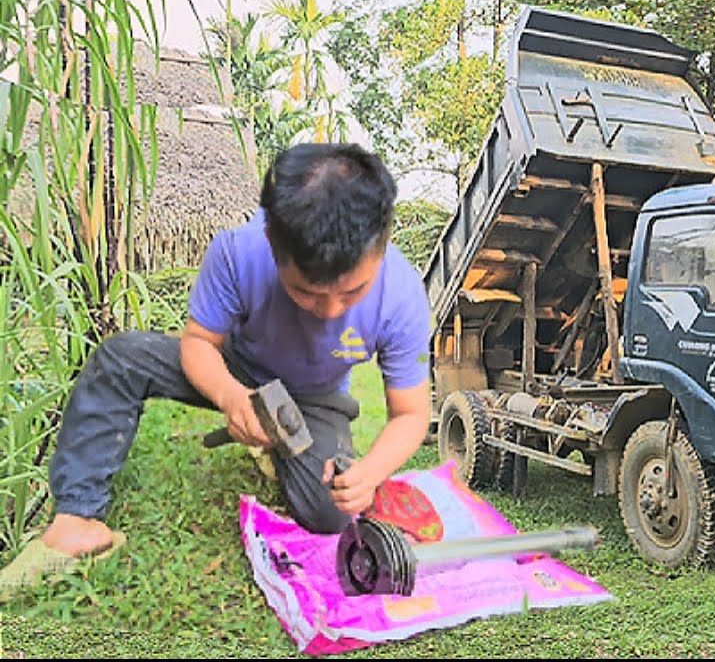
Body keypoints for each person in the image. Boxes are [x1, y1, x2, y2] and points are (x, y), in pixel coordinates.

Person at [0, 143, 432, 600]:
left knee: (331, 515)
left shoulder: (401, 297)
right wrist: (230, 396)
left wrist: (369, 473)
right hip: (236, 369)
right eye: (306, 293)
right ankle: (77, 518)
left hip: (312, 399)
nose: (329, 311)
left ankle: (278, 447)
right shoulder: (238, 252)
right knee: (121, 357)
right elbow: (199, 344)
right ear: (272, 241)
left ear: (381, 251)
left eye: (352, 293)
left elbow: (410, 414)